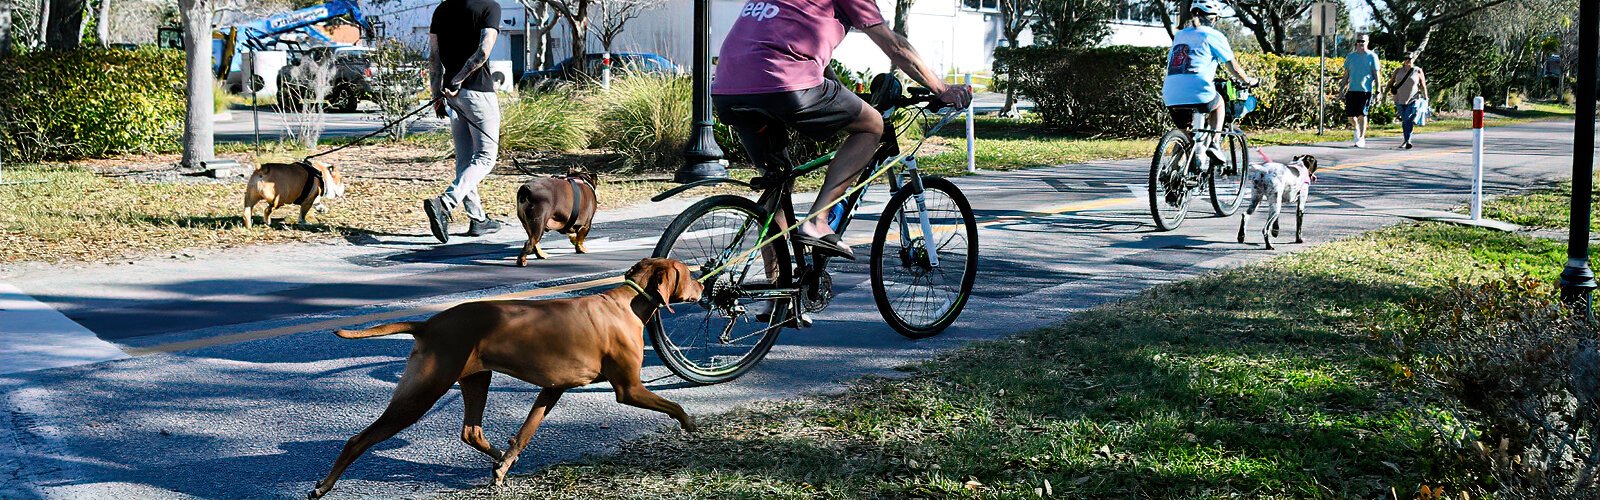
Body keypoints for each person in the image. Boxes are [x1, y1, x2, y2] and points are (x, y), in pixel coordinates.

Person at [711, 0, 972, 260]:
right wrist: (942, 89)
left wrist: (842, 93)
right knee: (872, 126)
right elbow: (895, 46)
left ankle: (777, 295)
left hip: (727, 89)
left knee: (778, 184)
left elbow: (798, 46)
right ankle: (817, 220)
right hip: (784, 83)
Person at [422, 0, 503, 244]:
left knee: (465, 159)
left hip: (451, 95)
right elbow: (482, 52)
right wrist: (459, 80)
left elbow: (434, 59)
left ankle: (477, 218)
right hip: (478, 92)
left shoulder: (442, 9)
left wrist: (437, 93)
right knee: (486, 157)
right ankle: (445, 203)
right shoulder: (490, 7)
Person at [1161, 0, 1259, 164]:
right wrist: (1248, 81)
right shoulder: (1213, 35)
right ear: (1213, 19)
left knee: (1184, 133)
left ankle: (1173, 171)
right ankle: (1214, 144)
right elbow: (1233, 67)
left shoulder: (1180, 35)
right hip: (1199, 91)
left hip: (1171, 94)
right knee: (1218, 103)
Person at [1339, 33, 1382, 148]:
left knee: (1362, 114)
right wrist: (1341, 88)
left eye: (1363, 41)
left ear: (1367, 42)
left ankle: (1361, 137)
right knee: (1350, 116)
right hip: (1352, 90)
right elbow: (1346, 74)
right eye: (1358, 41)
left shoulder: (1372, 56)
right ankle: (1357, 128)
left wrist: (1378, 91)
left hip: (1365, 90)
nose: (1360, 43)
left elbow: (1376, 74)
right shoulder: (1351, 57)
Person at [1387, 52, 1428, 150]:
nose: (1407, 60)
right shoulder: (1398, 71)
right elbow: (1391, 82)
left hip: (1413, 99)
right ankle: (1406, 140)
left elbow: (1422, 85)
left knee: (1407, 119)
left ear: (1413, 59)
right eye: (1405, 58)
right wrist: (1384, 93)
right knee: (1405, 120)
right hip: (1399, 99)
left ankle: (1407, 141)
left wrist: (1426, 97)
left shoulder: (1417, 71)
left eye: (1409, 59)